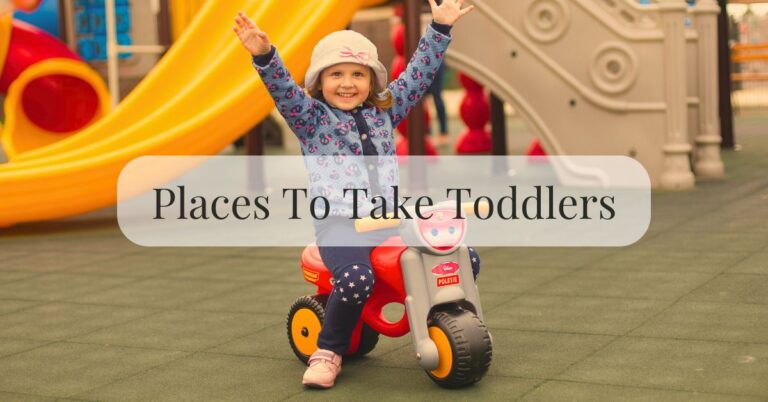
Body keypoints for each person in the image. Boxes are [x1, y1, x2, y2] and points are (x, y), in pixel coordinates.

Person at [234, 0, 476, 389]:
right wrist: (265, 55)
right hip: (340, 224)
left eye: (358, 74)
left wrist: (440, 29)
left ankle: (452, 321)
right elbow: (282, 91)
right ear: (319, 81)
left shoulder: (384, 112)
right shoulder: (311, 119)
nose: (347, 83)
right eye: (336, 75)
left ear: (372, 81)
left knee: (460, 254)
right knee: (355, 278)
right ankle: (328, 351)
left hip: (388, 220)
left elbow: (417, 76)